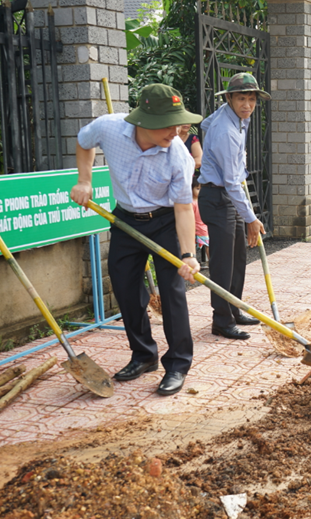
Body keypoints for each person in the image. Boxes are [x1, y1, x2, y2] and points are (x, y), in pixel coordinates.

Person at [71, 83, 203, 396]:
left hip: (165, 221)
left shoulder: (178, 157)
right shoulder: (110, 128)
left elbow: (184, 209)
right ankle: (144, 356)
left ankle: (178, 364)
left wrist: (187, 254)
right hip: (126, 219)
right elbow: (83, 141)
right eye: (169, 125)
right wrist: (84, 180)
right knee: (125, 289)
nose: (176, 131)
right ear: (145, 121)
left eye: (179, 123)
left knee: (171, 293)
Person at [197, 73, 270, 340]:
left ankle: (234, 308)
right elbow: (230, 182)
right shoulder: (226, 131)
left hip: (228, 196)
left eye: (251, 99)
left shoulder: (235, 118)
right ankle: (221, 320)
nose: (247, 105)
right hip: (217, 197)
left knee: (239, 255)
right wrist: (251, 218)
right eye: (241, 98)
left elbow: (205, 123)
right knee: (223, 263)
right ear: (229, 98)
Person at [191, 177, 209, 263]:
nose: (200, 191)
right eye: (197, 188)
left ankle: (211, 262)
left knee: (208, 245)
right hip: (196, 228)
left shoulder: (202, 201)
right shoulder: (192, 203)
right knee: (192, 247)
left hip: (203, 227)